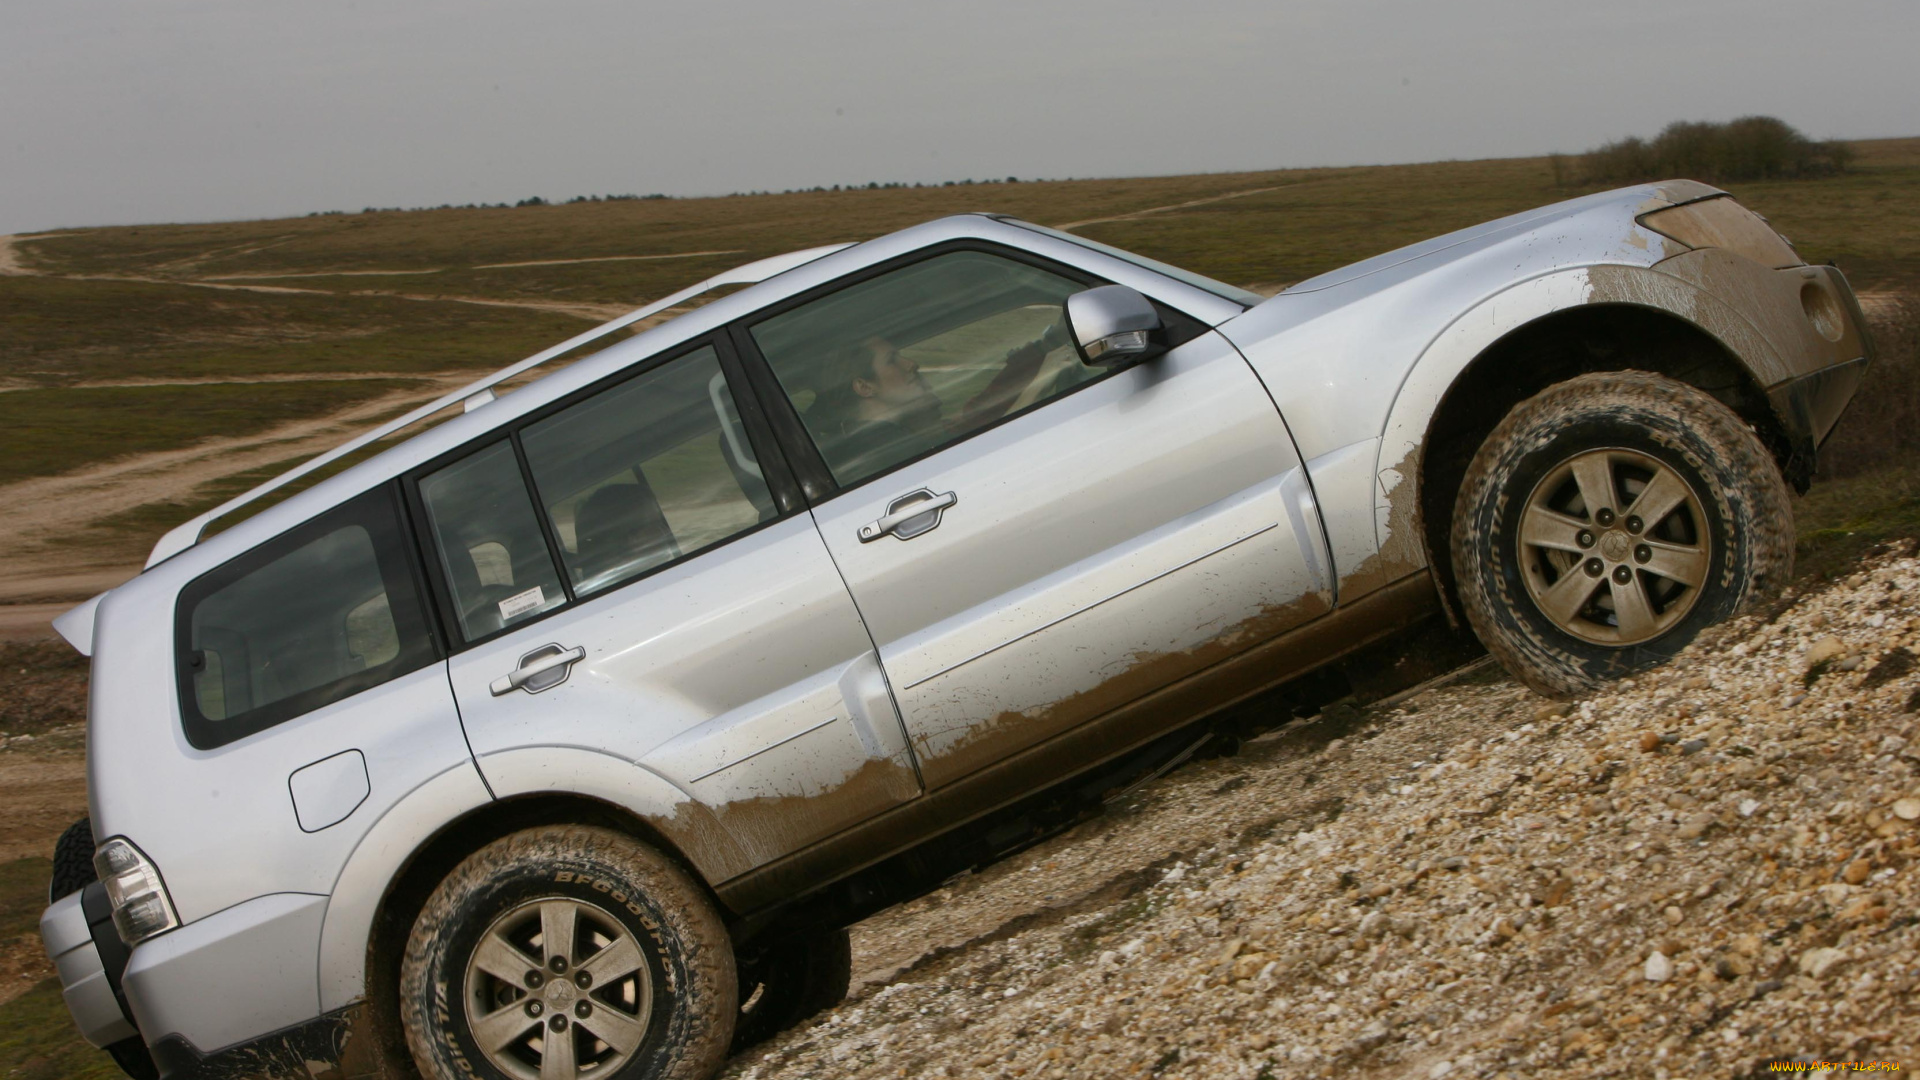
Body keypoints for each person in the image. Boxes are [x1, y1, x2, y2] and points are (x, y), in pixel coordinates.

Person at [806, 323, 1071, 480]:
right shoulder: (885, 449)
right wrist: (1039, 383)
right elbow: (985, 466)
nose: (911, 364)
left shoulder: (879, 441)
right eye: (892, 360)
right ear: (864, 387)